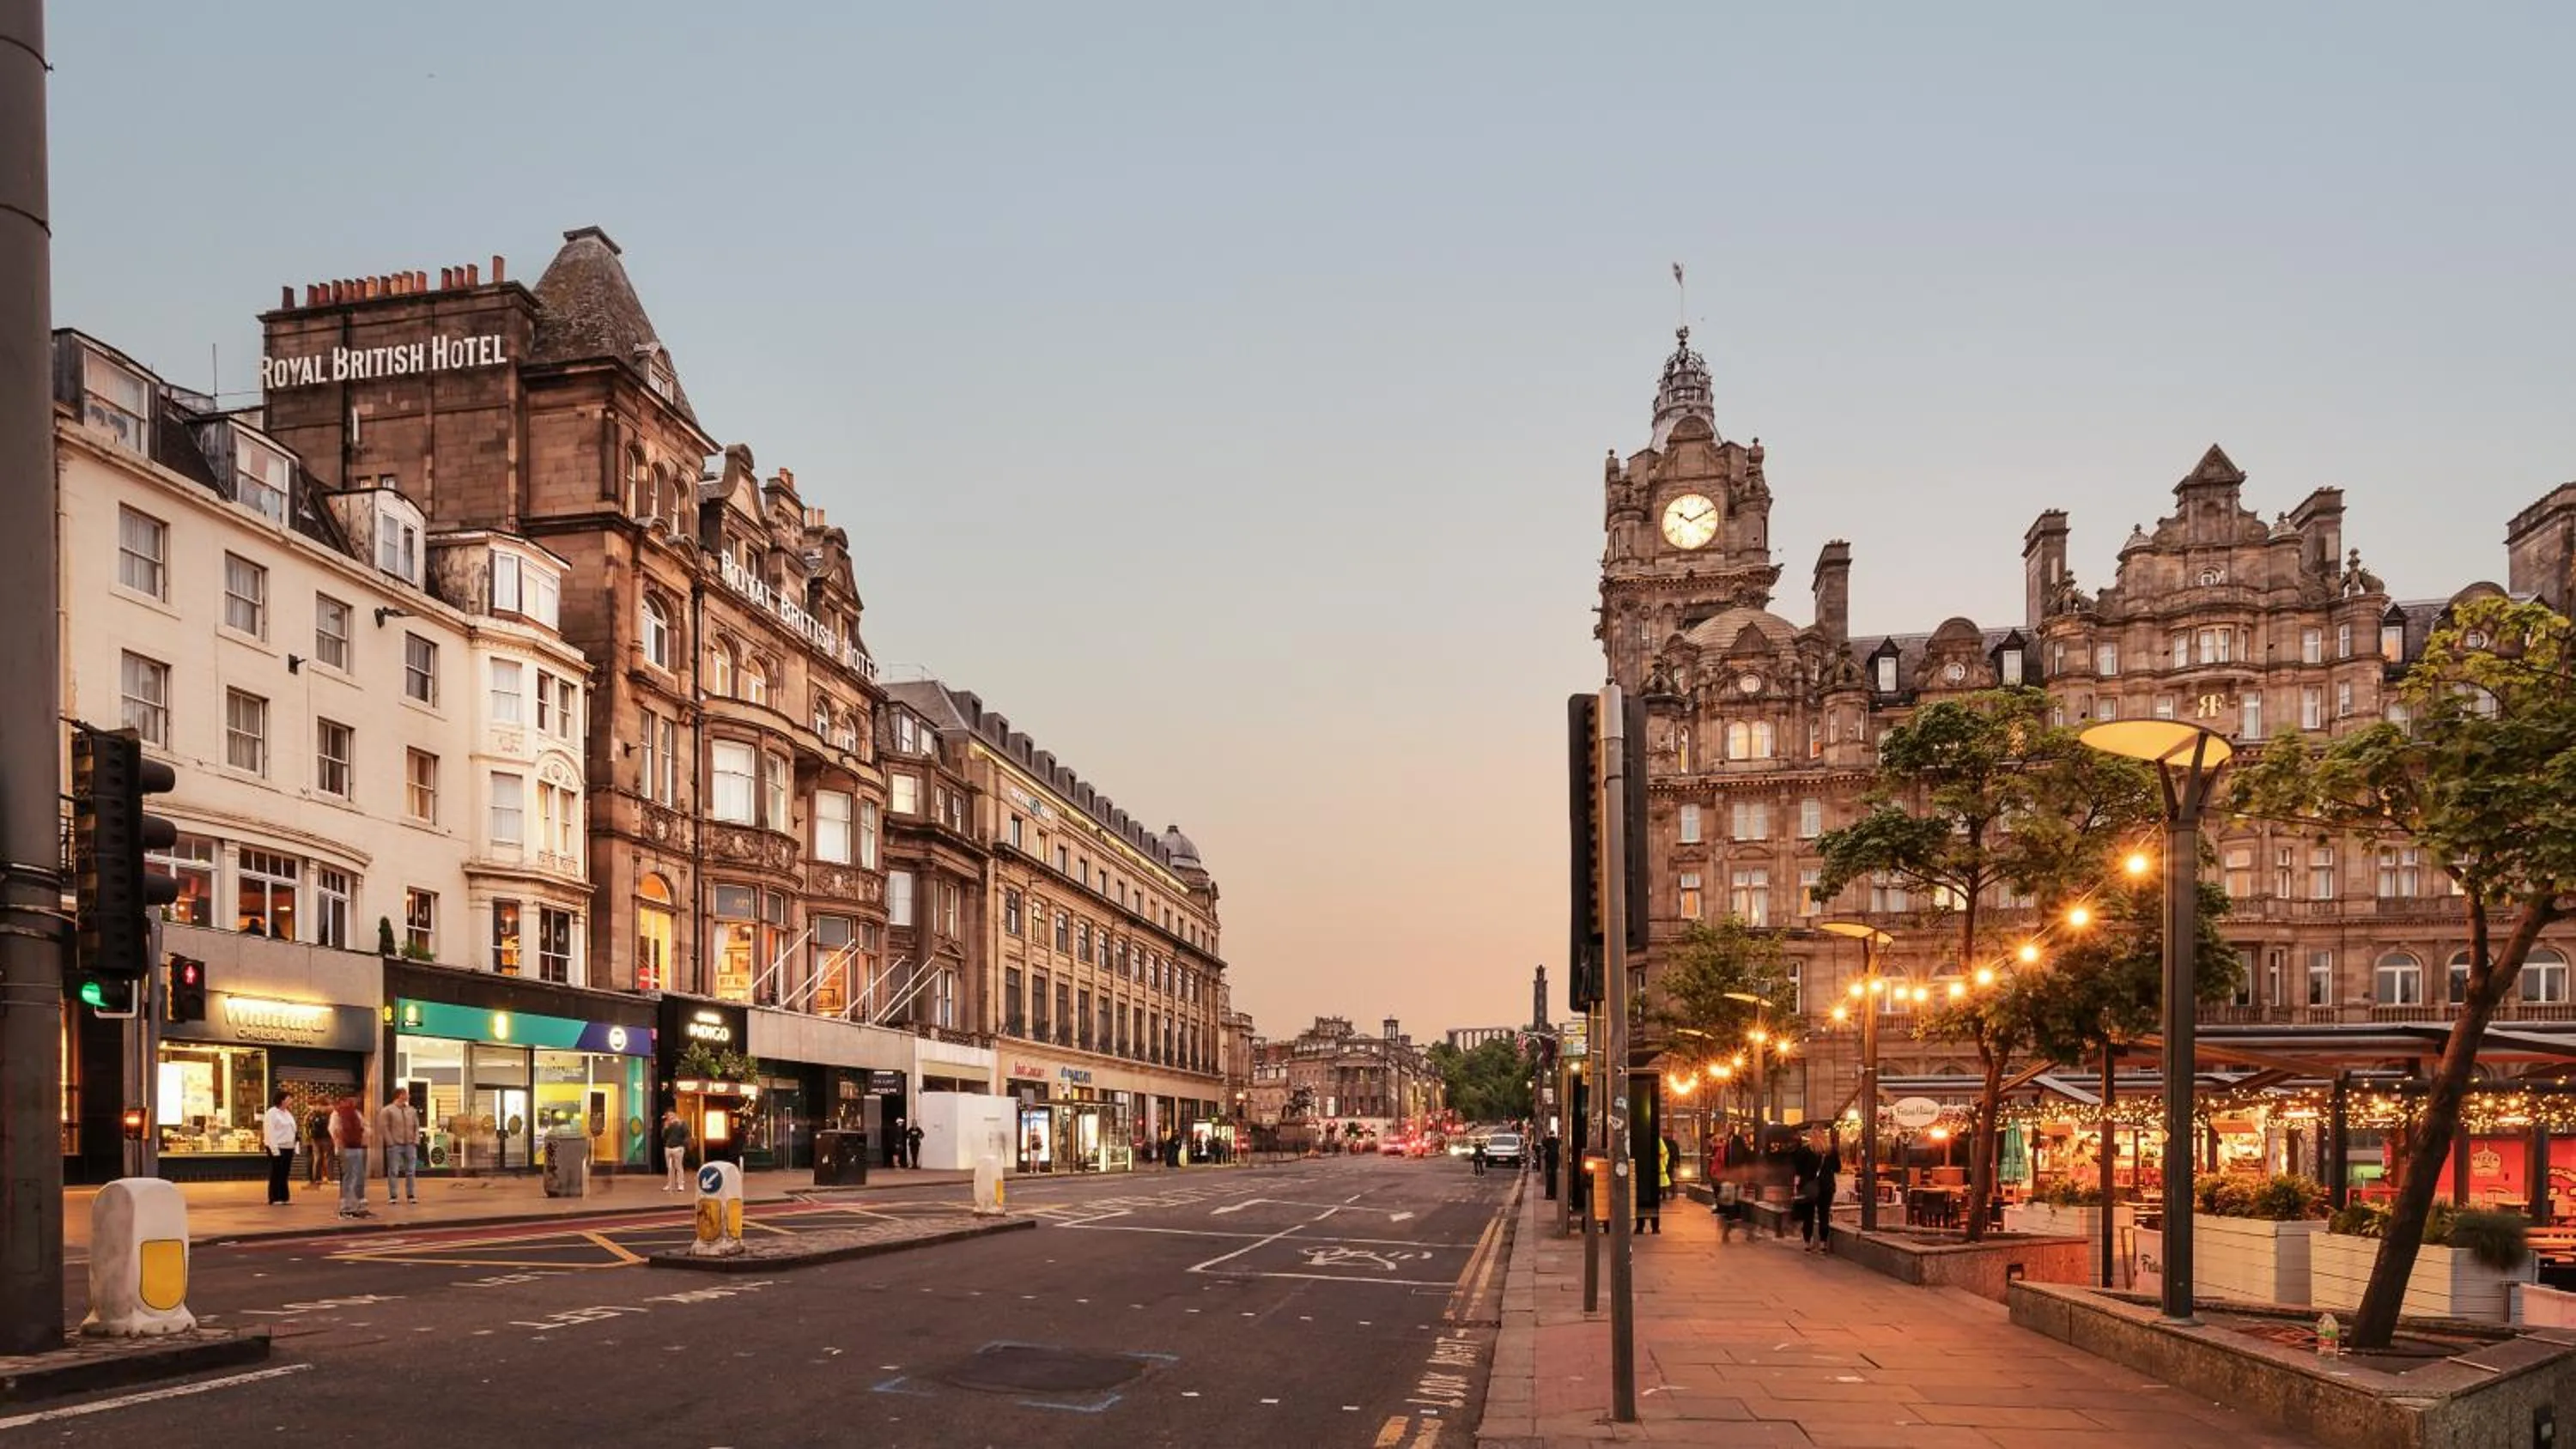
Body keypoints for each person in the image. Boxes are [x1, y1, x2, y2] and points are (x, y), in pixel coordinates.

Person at [329, 1094, 372, 1219]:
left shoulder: (356, 1113)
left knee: (359, 1177)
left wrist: (364, 1136)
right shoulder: (337, 1114)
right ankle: (346, 1208)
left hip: (358, 1147)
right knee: (349, 1177)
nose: (353, 1102)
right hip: (347, 1148)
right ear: (342, 1101)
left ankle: (359, 1206)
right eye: (350, 1100)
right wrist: (339, 1144)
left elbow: (366, 1127)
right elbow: (334, 1131)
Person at [377, 1090, 421, 1204]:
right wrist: (390, 1142)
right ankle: (393, 1195)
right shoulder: (387, 1110)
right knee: (394, 1171)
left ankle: (411, 1195)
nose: (408, 1096)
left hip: (410, 1144)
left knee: (411, 1171)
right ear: (399, 1095)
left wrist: (415, 1141)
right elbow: (383, 1126)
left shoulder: (411, 1110)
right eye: (406, 1094)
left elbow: (416, 1126)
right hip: (395, 1145)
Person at [1805, 1131, 1844, 1254]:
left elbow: (1800, 1169)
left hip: (1810, 1186)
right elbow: (1838, 1168)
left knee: (1808, 1215)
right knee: (1824, 1214)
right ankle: (1823, 1243)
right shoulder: (1831, 1151)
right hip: (1827, 1186)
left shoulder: (1806, 1150)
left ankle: (1808, 1242)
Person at [261, 1089, 299, 1205]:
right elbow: (269, 1132)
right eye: (289, 1098)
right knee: (276, 1172)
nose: (291, 1101)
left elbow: (293, 1129)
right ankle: (274, 1197)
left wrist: (295, 1144)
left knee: (284, 1173)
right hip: (277, 1146)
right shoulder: (272, 1113)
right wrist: (274, 1149)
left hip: (288, 1147)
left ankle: (284, 1197)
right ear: (281, 1100)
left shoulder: (287, 1113)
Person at [305, 1101, 333, 1186]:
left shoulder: (312, 1114)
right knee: (328, 1158)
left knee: (318, 1158)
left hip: (315, 1138)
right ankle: (329, 1178)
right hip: (325, 1138)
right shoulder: (328, 1114)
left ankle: (317, 1178)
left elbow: (307, 1125)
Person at [661, 1111, 689, 1191]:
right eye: (668, 1115)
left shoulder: (682, 1123)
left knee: (678, 1166)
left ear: (675, 1115)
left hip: (678, 1148)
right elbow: (663, 1136)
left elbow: (686, 1134)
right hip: (668, 1148)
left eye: (671, 1115)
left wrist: (682, 1144)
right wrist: (666, 1127)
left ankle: (680, 1185)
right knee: (670, 1167)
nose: (670, 1117)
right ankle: (670, 1184)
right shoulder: (667, 1124)